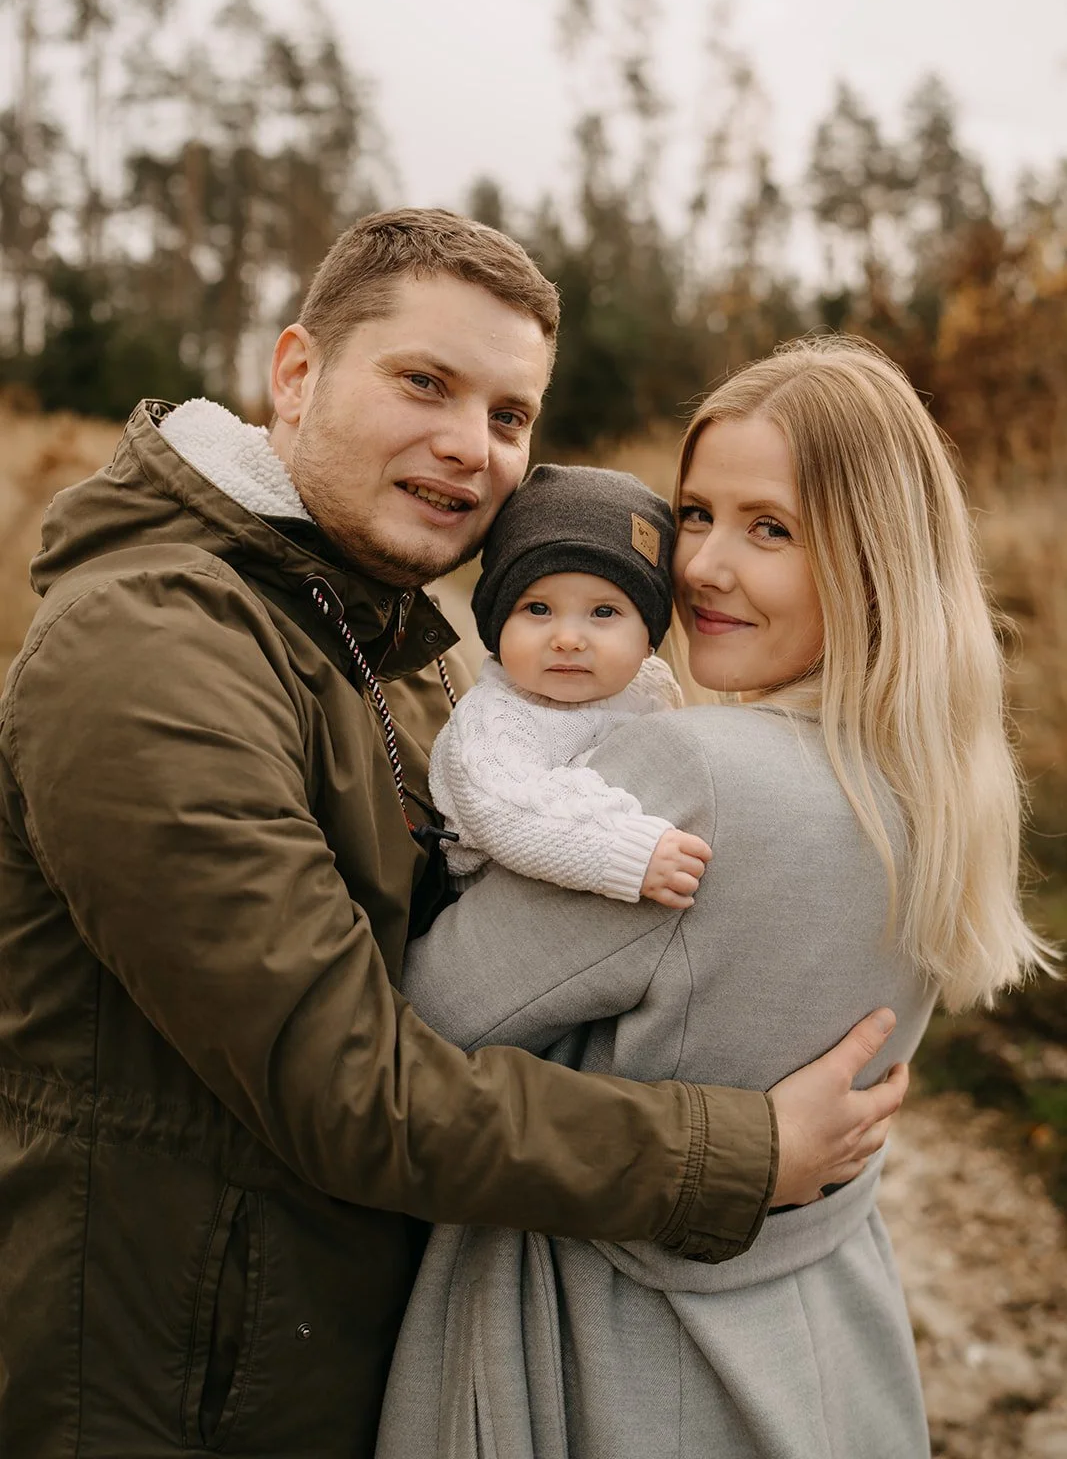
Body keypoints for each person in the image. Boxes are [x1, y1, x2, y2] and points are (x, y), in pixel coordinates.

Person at [0, 212, 907, 1459]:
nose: (469, 447)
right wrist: (735, 1156)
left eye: (507, 414)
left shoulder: (391, 640)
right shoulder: (150, 649)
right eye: (424, 382)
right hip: (170, 1393)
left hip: (310, 1360)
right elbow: (348, 1082)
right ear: (297, 372)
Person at [376, 337, 1053, 1459]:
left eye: (769, 528)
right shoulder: (932, 782)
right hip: (825, 1344)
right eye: (694, 514)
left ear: (872, 557)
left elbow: (426, 1021)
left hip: (620, 1361)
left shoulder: (695, 772)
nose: (700, 568)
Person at [431, 463, 712, 909]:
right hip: (504, 904)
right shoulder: (493, 719)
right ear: (497, 624)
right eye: (538, 609)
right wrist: (627, 850)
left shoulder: (650, 687)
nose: (567, 639)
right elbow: (508, 811)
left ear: (648, 637)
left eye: (603, 613)